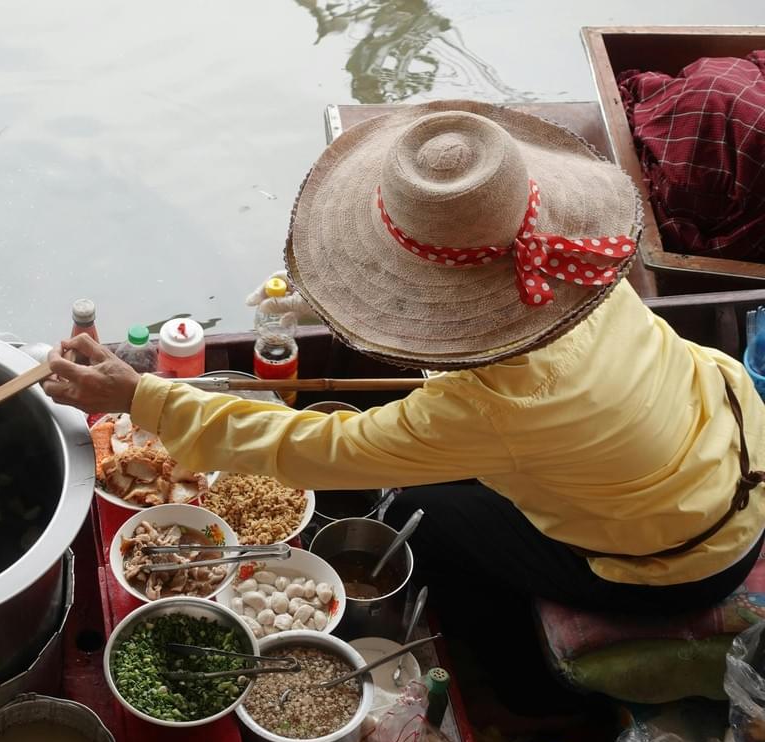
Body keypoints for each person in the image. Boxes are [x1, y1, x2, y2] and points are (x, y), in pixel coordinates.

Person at [44, 100, 765, 615]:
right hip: (729, 446)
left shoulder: (486, 409)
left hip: (678, 559)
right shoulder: (579, 268)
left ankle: (504, 665)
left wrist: (139, 398)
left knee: (423, 507)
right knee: (451, 471)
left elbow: (311, 447)